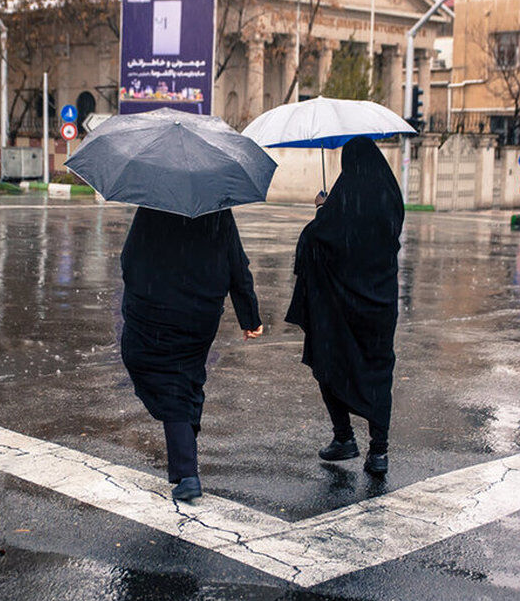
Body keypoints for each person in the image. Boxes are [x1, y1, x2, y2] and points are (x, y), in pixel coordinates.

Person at [120, 207, 263, 502]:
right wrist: (249, 316)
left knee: (165, 380)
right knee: (186, 375)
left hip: (157, 309)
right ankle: (185, 435)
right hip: (202, 313)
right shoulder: (217, 207)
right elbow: (237, 263)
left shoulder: (155, 204)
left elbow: (129, 259)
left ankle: (187, 472)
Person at [285, 136, 404, 475]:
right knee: (379, 372)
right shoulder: (390, 195)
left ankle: (344, 437)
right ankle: (378, 451)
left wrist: (323, 209)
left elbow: (317, 238)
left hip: (340, 308)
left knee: (328, 363)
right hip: (380, 304)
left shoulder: (345, 197)